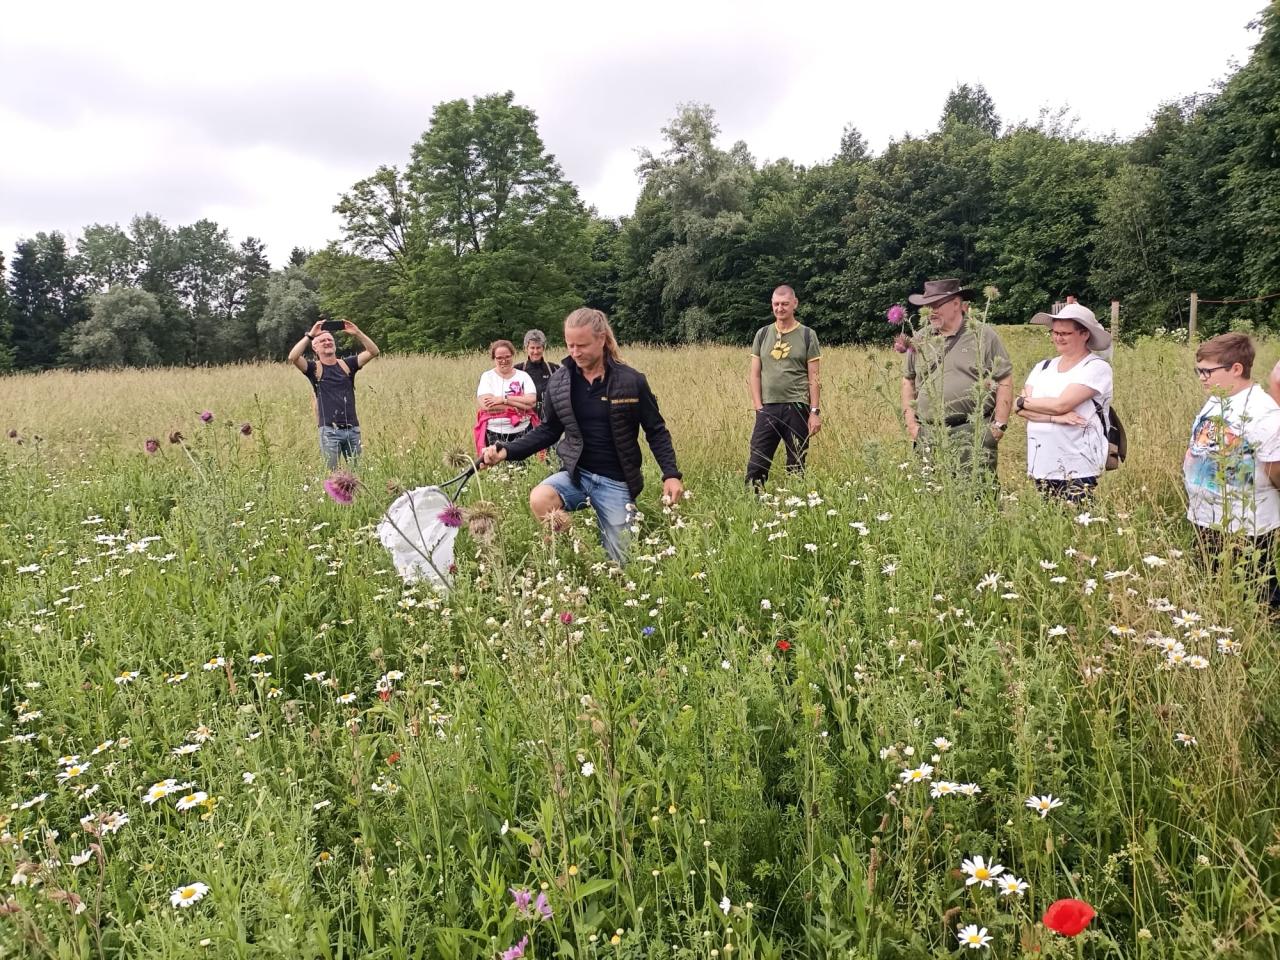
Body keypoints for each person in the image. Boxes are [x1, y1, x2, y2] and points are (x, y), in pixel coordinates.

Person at [480, 308, 684, 563]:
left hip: (616, 482)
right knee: (540, 498)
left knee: (622, 563)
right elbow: (549, 429)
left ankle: (608, 565)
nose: (575, 353)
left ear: (601, 339)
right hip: (578, 474)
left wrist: (671, 474)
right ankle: (586, 555)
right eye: (570, 345)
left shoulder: (631, 381)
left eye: (582, 345)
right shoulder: (560, 381)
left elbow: (656, 431)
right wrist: (506, 450)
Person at [1183, 333, 1280, 607]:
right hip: (1205, 515)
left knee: (1258, 590)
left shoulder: (1263, 412)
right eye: (1198, 370)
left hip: (1247, 523)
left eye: (1207, 371)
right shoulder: (1217, 399)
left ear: (1236, 369)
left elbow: (1275, 468)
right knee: (1210, 586)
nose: (1201, 377)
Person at [901, 278, 1013, 475]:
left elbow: (1004, 379)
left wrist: (998, 426)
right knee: (931, 496)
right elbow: (908, 380)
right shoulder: (919, 338)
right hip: (928, 433)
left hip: (972, 430)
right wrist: (912, 425)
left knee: (977, 495)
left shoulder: (983, 335)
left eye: (936, 305)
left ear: (956, 304)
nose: (931, 310)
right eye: (928, 306)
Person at [1015, 303, 1113, 502]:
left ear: (1084, 334)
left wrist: (1028, 402)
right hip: (1041, 463)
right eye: (1055, 332)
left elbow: (1062, 404)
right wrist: (1054, 418)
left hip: (1078, 463)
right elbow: (1019, 409)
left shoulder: (1095, 368)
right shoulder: (1043, 367)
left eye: (1065, 333)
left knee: (1077, 520)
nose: (1058, 338)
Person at [745, 285, 822, 488]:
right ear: (772, 305)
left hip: (797, 408)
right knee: (757, 462)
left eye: (785, 304)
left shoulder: (807, 335)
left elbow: (814, 376)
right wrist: (758, 407)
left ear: (794, 304)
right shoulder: (762, 334)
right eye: (776, 304)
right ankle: (754, 505)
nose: (780, 308)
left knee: (796, 464)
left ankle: (796, 504)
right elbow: (754, 374)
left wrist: (814, 412)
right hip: (768, 408)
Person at [288, 318, 380, 468]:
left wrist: (357, 332)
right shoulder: (313, 369)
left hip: (353, 430)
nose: (327, 342)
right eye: (322, 340)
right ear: (315, 348)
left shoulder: (348, 365)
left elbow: (374, 351)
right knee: (333, 476)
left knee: (358, 476)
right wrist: (310, 335)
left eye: (330, 340)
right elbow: (293, 357)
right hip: (329, 432)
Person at [475, 340, 539, 453]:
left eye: (507, 356)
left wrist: (503, 399)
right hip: (494, 433)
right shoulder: (487, 377)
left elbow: (532, 402)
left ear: (512, 356)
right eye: (499, 358)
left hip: (523, 431)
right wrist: (519, 405)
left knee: (524, 467)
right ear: (494, 358)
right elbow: (487, 405)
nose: (504, 361)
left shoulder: (523, 376)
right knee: (499, 469)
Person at [515, 329, 560, 416]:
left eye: (538, 348)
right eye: (532, 348)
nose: (535, 352)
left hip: (549, 420)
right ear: (526, 348)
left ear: (544, 348)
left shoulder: (554, 369)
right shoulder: (517, 370)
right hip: (525, 420)